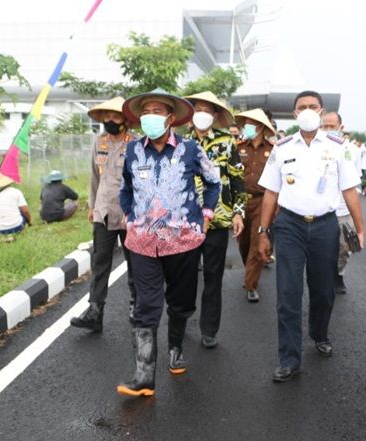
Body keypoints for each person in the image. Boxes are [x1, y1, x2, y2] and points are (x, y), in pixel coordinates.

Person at [116, 89, 221, 397]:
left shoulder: (190, 150)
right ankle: (144, 375)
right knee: (147, 305)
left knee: (181, 302)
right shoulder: (133, 150)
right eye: (146, 111)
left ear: (171, 118)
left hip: (183, 241)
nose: (151, 115)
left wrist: (206, 213)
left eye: (158, 110)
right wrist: (129, 215)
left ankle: (176, 347)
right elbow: (126, 188)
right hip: (143, 241)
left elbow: (214, 182)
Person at [256, 90, 364, 382]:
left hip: (325, 226)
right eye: (301, 107)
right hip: (289, 225)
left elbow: (350, 190)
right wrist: (263, 232)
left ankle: (320, 332)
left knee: (323, 290)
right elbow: (270, 192)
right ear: (294, 114)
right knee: (288, 292)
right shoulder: (282, 147)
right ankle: (289, 359)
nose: (306, 110)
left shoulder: (337, 147)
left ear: (321, 110)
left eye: (311, 106)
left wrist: (361, 227)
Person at [71, 97, 137, 333]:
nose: (110, 120)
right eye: (107, 116)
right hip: (103, 212)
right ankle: (94, 312)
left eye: (115, 116)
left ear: (126, 120)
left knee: (135, 264)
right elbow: (93, 176)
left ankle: (135, 306)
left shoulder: (136, 145)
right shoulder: (98, 142)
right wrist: (91, 206)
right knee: (100, 264)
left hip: (130, 214)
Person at [185, 91, 245, 348]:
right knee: (185, 275)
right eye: (197, 108)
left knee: (213, 276)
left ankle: (209, 329)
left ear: (216, 115)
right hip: (185, 221)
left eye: (207, 110)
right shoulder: (179, 142)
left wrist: (238, 212)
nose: (201, 114)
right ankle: (183, 315)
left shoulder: (227, 142)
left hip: (218, 221)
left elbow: (236, 178)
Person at [235, 108, 277, 303]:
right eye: (246, 123)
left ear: (260, 127)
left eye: (251, 123)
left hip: (263, 200)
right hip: (241, 200)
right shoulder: (238, 146)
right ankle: (249, 271)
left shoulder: (273, 149)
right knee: (243, 242)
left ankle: (251, 285)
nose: (247, 127)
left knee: (257, 241)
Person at [320, 111, 362, 295]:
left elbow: (354, 183)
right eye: (325, 126)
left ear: (341, 127)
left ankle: (339, 273)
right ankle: (325, 277)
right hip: (323, 208)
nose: (328, 130)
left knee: (345, 247)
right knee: (323, 248)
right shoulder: (316, 148)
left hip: (344, 209)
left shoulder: (354, 150)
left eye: (332, 126)